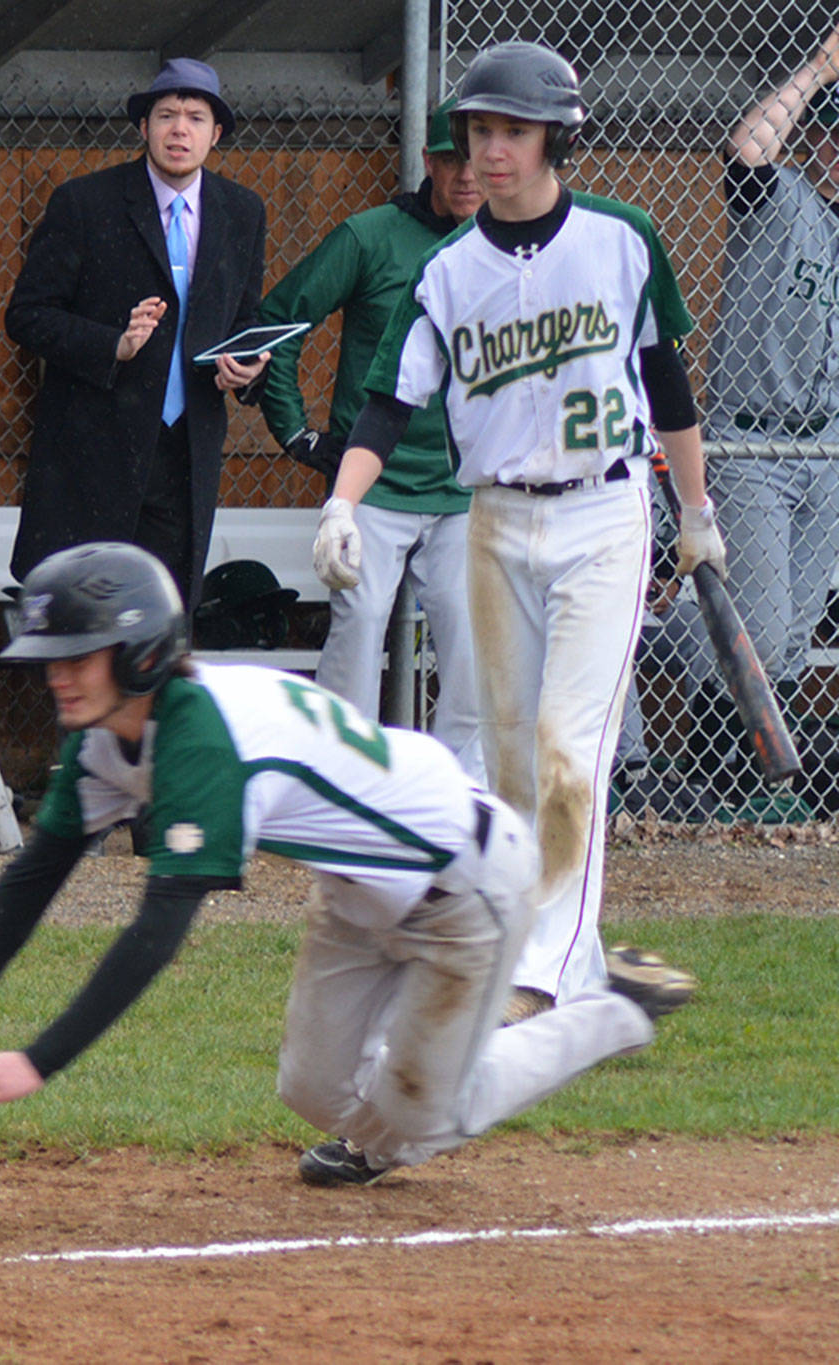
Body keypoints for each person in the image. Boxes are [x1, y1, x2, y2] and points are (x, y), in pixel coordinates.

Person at [0, 542, 659, 1186]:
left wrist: (39, 1061)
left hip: (468, 885)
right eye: (53, 656)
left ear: (140, 654)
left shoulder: (205, 740)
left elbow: (156, 931)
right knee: (311, 1091)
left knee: (423, 1115)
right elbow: (38, 870)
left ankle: (609, 1010)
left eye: (79, 655)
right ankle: (397, 1112)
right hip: (356, 893)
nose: (56, 674)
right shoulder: (107, 736)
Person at [311, 43, 718, 1023]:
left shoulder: (622, 237)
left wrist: (696, 512)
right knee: (502, 755)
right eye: (478, 130)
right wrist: (341, 501)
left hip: (601, 514)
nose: (489, 150)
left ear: (555, 139)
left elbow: (664, 383)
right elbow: (385, 404)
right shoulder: (448, 271)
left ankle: (544, 970)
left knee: (568, 746)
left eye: (511, 130)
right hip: (492, 519)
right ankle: (500, 935)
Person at [258, 100, 485, 780]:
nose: (467, 174)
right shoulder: (371, 236)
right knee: (357, 637)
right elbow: (280, 321)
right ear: (429, 163)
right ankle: (337, 785)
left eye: (478, 159)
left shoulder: (509, 244)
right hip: (376, 479)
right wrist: (294, 431)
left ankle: (453, 797)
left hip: (466, 487)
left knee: (472, 649)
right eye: (451, 159)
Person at [5, 57, 270, 609]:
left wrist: (247, 370)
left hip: (185, 454)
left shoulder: (241, 212)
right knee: (85, 620)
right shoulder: (85, 203)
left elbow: (244, 318)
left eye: (195, 118)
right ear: (143, 127)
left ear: (215, 134)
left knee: (166, 623)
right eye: (167, 115)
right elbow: (27, 315)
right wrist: (113, 344)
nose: (180, 129)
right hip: (94, 455)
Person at [699, 22, 839, 811]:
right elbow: (748, 149)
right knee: (762, 626)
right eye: (832, 138)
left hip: (827, 450)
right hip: (751, 436)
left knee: (791, 637)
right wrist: (819, 69)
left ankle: (750, 788)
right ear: (817, 141)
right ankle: (722, 785)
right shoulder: (779, 198)